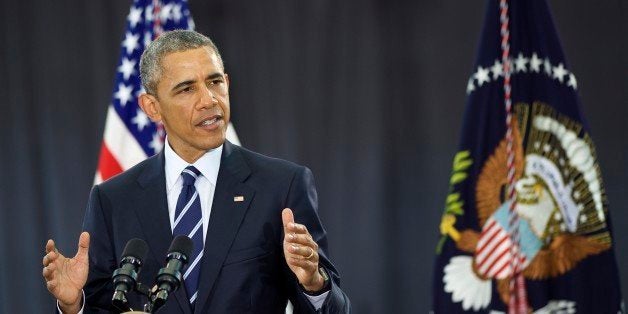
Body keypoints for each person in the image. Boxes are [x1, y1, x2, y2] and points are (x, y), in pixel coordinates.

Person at [42, 30, 350, 314]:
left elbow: (335, 307)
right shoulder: (112, 199)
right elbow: (102, 306)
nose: (209, 100)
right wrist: (74, 306)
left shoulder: (281, 186)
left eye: (215, 82)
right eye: (187, 88)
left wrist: (313, 283)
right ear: (152, 107)